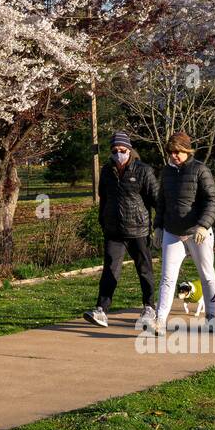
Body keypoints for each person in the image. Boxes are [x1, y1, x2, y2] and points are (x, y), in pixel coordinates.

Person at [83, 131, 159, 329]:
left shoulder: (143, 171)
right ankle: (101, 309)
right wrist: (103, 221)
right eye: (115, 151)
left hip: (138, 230)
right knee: (110, 270)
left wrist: (162, 224)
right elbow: (104, 199)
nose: (119, 154)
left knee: (144, 270)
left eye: (122, 150)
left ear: (130, 150)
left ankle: (149, 306)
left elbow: (156, 200)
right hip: (114, 231)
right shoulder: (107, 171)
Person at [153, 131, 215, 332]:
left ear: (186, 150)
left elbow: (212, 201)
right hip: (172, 232)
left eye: (178, 151)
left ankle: (211, 316)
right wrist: (157, 227)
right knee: (167, 278)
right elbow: (161, 202)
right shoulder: (166, 172)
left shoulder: (200, 170)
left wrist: (203, 225)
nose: (174, 155)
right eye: (171, 152)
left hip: (197, 233)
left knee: (207, 275)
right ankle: (160, 320)